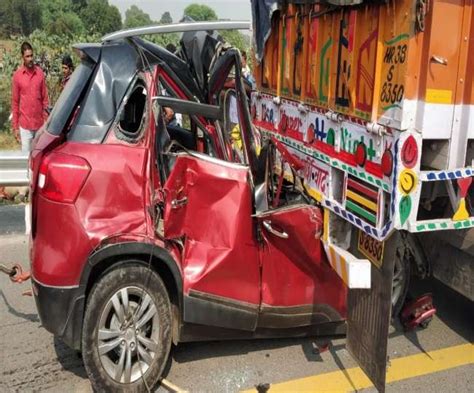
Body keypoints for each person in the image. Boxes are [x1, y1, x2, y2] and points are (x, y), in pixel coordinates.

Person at [11, 41, 49, 153]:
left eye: (31, 55)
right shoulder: (17, 76)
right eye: (27, 56)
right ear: (22, 57)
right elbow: (15, 102)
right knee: (26, 160)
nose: (30, 58)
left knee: (38, 157)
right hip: (25, 127)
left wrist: (46, 121)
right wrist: (15, 127)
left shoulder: (40, 74)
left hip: (39, 126)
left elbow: (45, 99)